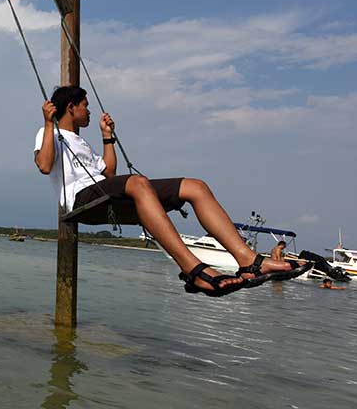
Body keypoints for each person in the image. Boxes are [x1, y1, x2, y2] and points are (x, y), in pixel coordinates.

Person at [34, 86, 312, 297]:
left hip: (104, 192)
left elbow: (109, 174)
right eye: (85, 106)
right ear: (71, 108)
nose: (89, 111)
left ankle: (249, 261)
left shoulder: (81, 141)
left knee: (195, 186)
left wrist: (107, 136)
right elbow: (45, 166)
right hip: (81, 200)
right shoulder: (49, 133)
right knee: (138, 182)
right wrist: (48, 124)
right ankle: (193, 269)